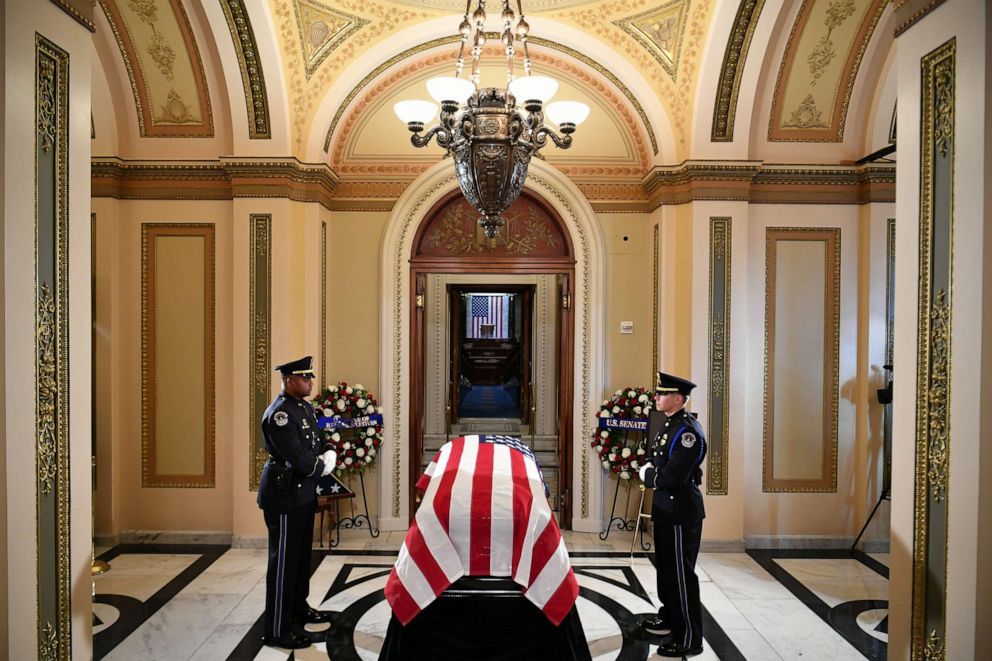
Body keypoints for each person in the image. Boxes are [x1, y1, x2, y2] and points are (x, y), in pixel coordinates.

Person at [257, 355, 337, 649]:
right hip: (285, 496)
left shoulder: (302, 407)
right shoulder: (280, 414)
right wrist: (322, 466)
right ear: (289, 380)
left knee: (301, 560)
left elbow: (317, 438)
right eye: (305, 378)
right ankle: (276, 628)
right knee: (283, 565)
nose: (310, 382)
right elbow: (300, 458)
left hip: (302, 495)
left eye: (310, 377)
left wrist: (329, 449)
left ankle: (298, 610)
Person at [638, 371, 707, 658]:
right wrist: (653, 472)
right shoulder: (671, 425)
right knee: (666, 570)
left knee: (681, 575)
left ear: (677, 399)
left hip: (680, 510)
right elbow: (658, 462)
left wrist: (650, 475)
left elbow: (673, 475)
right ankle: (669, 617)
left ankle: (689, 637)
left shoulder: (687, 431)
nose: (656, 397)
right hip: (667, 508)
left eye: (661, 394)